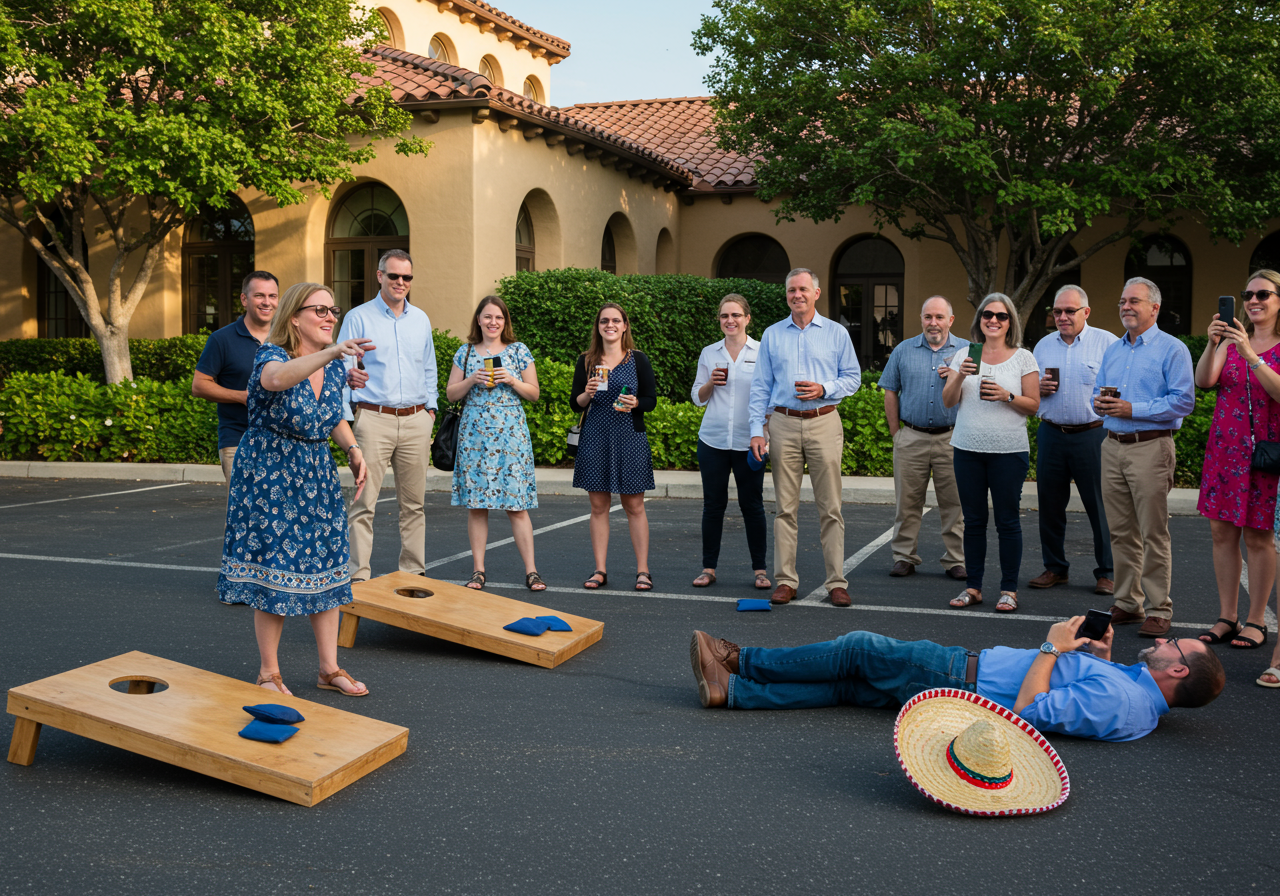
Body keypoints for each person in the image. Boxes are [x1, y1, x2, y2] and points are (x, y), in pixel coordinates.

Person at [688, 619, 1225, 742]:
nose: (1164, 639)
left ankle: (740, 659)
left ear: (1177, 671)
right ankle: (733, 693)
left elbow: (1033, 711)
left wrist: (1052, 646)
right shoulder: (1134, 697)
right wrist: (1099, 655)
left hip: (961, 677)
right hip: (959, 687)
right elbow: (1074, 694)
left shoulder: (1122, 700)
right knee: (851, 686)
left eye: (1174, 646)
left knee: (858, 649)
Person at [218, 282, 372, 697]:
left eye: (332, 311)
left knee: (326, 563)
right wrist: (332, 352)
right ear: (294, 318)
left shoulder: (334, 365)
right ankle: (269, 673)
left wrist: (354, 450)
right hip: (270, 472)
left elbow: (332, 415)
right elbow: (275, 380)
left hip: (315, 470)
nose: (329, 317)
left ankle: (329, 668)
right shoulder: (272, 354)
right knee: (275, 570)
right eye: (319, 310)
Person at [749, 268, 862, 606]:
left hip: (824, 421)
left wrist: (823, 388)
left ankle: (836, 583)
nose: (796, 295)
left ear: (816, 292)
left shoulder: (837, 333)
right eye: (790, 290)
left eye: (802, 289)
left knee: (831, 507)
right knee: (785, 507)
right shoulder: (772, 334)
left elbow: (853, 378)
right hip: (782, 422)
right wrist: (757, 430)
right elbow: (760, 387)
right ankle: (786, 580)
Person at [1095, 277, 1195, 637]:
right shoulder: (1114, 349)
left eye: (1134, 301)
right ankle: (1126, 602)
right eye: (1123, 301)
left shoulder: (1172, 349)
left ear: (1154, 307)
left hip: (1151, 446)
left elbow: (1184, 402)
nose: (1125, 307)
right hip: (1112, 445)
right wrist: (1100, 402)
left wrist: (1131, 407)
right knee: (1121, 531)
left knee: (1153, 532)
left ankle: (1158, 608)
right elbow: (1098, 390)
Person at [339, 249, 437, 584]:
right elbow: (342, 367)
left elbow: (428, 367)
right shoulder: (358, 317)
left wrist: (431, 410)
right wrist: (348, 419)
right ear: (379, 275)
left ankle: (414, 575)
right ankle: (358, 577)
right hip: (373, 419)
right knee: (363, 504)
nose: (400, 282)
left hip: (416, 420)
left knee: (414, 506)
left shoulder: (420, 318)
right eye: (393, 276)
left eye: (406, 277)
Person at [1196, 270, 1280, 651]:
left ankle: (1257, 620)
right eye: (1248, 294)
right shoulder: (1231, 339)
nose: (1253, 301)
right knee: (1222, 534)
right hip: (1225, 449)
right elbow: (1205, 381)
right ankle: (1226, 616)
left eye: (1263, 293)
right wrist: (1214, 343)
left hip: (1265, 453)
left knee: (1260, 537)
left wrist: (1250, 354)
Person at [942, 293, 1040, 612]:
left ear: (1010, 321)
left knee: (1008, 521)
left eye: (1001, 315)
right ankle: (974, 587)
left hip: (1009, 451)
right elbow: (948, 401)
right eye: (987, 315)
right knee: (973, 521)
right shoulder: (965, 355)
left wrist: (1006, 395)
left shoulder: (1023, 357)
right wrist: (959, 373)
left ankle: (1008, 589)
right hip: (967, 448)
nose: (993, 320)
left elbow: (1033, 406)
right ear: (979, 320)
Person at [445, 296, 544, 592]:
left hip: (511, 436)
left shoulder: (518, 351)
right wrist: (472, 379)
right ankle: (478, 571)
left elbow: (534, 393)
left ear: (505, 321)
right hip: (474, 437)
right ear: (478, 320)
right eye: (487, 317)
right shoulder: (464, 352)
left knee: (517, 506)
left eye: (498, 318)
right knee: (477, 506)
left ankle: (532, 571)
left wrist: (512, 380)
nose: (492, 322)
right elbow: (451, 394)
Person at [1029, 285, 1119, 595]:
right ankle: (1055, 567)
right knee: (1050, 505)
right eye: (1057, 312)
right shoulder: (1042, 346)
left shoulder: (1108, 343)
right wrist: (1036, 390)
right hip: (1052, 432)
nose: (1063, 317)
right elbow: (1028, 391)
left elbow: (1119, 387)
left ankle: (1107, 572)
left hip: (1093, 434)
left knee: (1101, 505)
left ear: (1086, 312)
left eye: (1070, 311)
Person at [570, 303, 658, 591]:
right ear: (598, 326)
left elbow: (650, 400)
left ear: (624, 326)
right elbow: (575, 403)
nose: (610, 325)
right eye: (604, 321)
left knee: (634, 505)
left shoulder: (638, 359)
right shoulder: (586, 360)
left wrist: (635, 404)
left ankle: (643, 571)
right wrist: (587, 393)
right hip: (595, 436)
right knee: (598, 506)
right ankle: (599, 570)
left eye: (616, 320)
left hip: (630, 436)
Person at [879, 295, 967, 580]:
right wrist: (897, 434)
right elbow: (890, 391)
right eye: (928, 317)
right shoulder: (903, 350)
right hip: (911, 437)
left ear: (950, 320)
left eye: (940, 317)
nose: (934, 323)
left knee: (955, 504)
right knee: (907, 503)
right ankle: (904, 556)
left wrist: (956, 376)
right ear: (921, 319)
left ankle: (956, 560)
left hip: (953, 439)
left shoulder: (967, 351)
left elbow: (979, 392)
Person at [689, 294, 769, 590]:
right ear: (719, 320)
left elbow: (769, 399)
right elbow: (697, 397)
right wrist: (711, 382)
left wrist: (764, 433)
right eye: (724, 316)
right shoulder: (710, 353)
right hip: (713, 440)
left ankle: (760, 571)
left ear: (747, 318)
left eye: (736, 315)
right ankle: (708, 568)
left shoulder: (762, 351)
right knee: (713, 506)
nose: (730, 320)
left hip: (750, 442)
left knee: (753, 506)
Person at [192, 271, 279, 485]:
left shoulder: (285, 337)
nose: (266, 302)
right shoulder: (221, 339)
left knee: (277, 513)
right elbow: (199, 386)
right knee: (244, 513)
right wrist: (243, 397)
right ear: (244, 299)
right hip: (238, 439)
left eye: (272, 296)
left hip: (281, 440)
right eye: (259, 295)